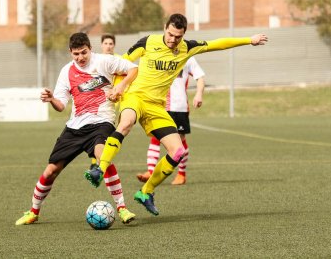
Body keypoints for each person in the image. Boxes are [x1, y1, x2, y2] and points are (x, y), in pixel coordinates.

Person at [85, 13, 268, 216]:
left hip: (156, 106)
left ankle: (146, 192)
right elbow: (122, 66)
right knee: (126, 123)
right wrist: (118, 89)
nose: (173, 40)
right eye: (170, 34)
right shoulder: (147, 42)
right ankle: (99, 169)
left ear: (184, 34)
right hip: (134, 97)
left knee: (178, 151)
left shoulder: (187, 48)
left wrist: (248, 40)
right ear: (165, 27)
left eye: (178, 37)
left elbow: (217, 44)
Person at [15, 32, 138, 225]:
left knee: (102, 156)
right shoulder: (67, 72)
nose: (80, 58)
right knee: (50, 171)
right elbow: (61, 106)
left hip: (101, 123)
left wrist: (121, 86)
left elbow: (133, 68)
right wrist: (52, 100)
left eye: (84, 53)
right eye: (76, 54)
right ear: (70, 53)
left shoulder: (105, 61)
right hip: (75, 127)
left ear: (90, 49)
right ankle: (33, 211)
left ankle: (122, 208)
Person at [137, 56, 205, 185]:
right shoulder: (161, 54)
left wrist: (199, 94)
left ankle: (181, 175)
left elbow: (200, 76)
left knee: (181, 140)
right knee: (155, 137)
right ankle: (151, 172)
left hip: (179, 107)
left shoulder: (188, 56)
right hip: (160, 105)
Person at [89, 33, 120, 170]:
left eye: (110, 44)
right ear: (101, 45)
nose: (108, 46)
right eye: (106, 43)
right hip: (96, 102)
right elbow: (91, 81)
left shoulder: (118, 60)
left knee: (106, 133)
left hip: (115, 103)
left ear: (114, 45)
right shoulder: (95, 61)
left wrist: (116, 91)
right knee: (93, 129)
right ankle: (95, 163)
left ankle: (101, 162)